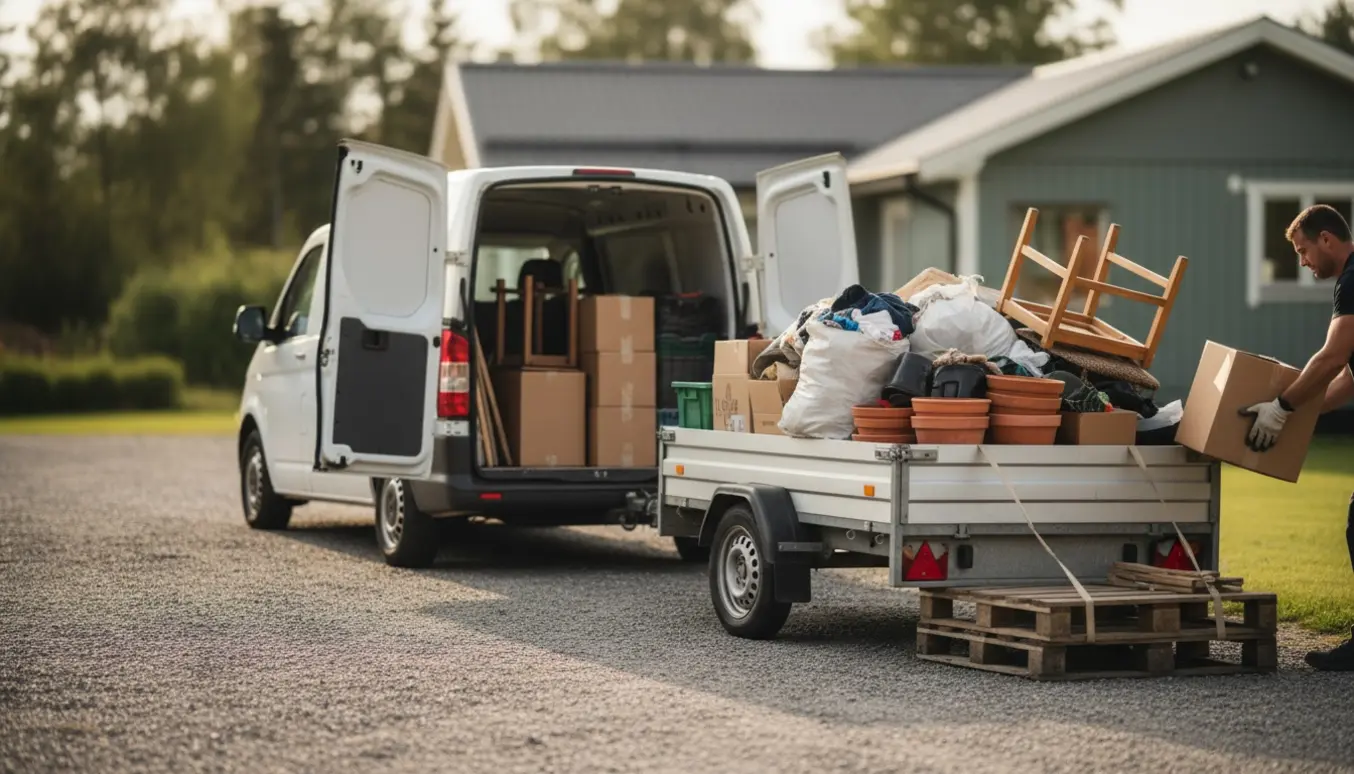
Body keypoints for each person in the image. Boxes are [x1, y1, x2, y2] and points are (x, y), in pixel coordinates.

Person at [1239, 203, 1354, 671]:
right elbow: (1349, 377)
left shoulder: (1352, 280)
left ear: (1327, 240)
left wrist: (1282, 407)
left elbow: (1331, 357)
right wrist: (1300, 416)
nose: (1303, 262)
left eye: (1304, 251)